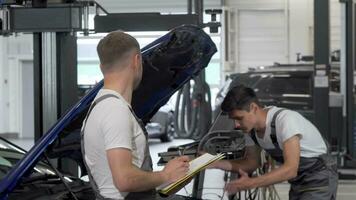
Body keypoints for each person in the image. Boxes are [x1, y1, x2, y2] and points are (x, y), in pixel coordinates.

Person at [80, 31, 190, 200]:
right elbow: (124, 180)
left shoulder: (100, 105)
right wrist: (165, 175)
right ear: (137, 60)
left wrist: (173, 175)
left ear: (102, 66)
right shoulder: (115, 110)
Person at [211, 85, 338, 199]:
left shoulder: (285, 120)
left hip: (319, 178)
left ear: (254, 108)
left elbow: (290, 169)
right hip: (298, 182)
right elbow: (251, 163)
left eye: (239, 118)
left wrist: (251, 183)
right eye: (233, 119)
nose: (236, 125)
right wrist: (214, 163)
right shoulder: (251, 131)